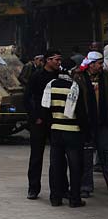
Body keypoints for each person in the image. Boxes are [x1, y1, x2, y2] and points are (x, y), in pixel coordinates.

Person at [42, 68, 88, 207]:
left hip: (56, 132)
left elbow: (45, 109)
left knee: (55, 166)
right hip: (73, 132)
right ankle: (74, 199)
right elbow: (80, 113)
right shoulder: (75, 87)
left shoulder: (51, 85)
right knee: (75, 167)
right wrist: (86, 132)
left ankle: (55, 198)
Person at [25, 49, 62, 200]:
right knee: (36, 156)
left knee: (59, 156)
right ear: (48, 60)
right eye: (56, 60)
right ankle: (33, 188)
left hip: (57, 119)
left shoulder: (61, 76)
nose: (58, 63)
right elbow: (27, 98)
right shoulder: (36, 76)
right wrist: (35, 117)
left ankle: (60, 189)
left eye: (60, 60)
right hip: (39, 121)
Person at [75, 51, 108, 196]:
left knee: (105, 154)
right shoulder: (79, 78)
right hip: (86, 123)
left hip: (102, 123)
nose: (101, 66)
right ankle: (85, 187)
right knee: (86, 156)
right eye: (99, 64)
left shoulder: (105, 78)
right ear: (91, 64)